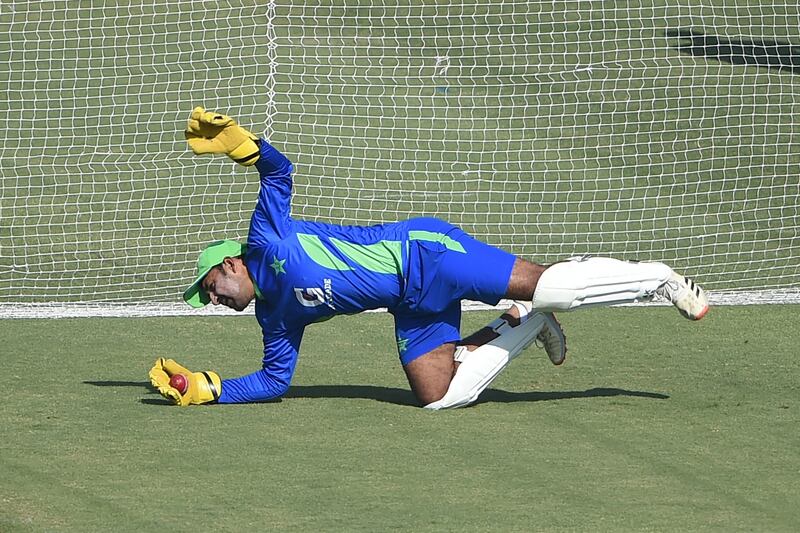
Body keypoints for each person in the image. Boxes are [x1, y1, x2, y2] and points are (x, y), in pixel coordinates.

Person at [149, 107, 709, 409]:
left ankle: (657, 279)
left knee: (553, 285)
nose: (213, 301)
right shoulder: (276, 318)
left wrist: (243, 145)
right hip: (411, 304)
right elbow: (275, 381)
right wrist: (207, 387)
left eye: (211, 289)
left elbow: (279, 172)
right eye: (207, 300)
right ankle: (523, 321)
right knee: (436, 397)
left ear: (230, 266)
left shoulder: (265, 241)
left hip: (428, 255)